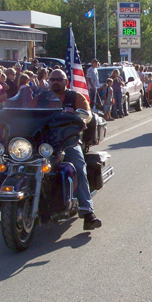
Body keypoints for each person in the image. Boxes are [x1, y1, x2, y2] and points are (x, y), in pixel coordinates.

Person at [49, 69, 101, 230]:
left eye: (59, 79)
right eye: (52, 80)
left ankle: (87, 212)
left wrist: (82, 117)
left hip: (68, 141)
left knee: (78, 167)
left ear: (66, 82)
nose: (55, 82)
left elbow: (87, 114)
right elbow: (27, 113)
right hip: (44, 143)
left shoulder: (75, 97)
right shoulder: (43, 97)